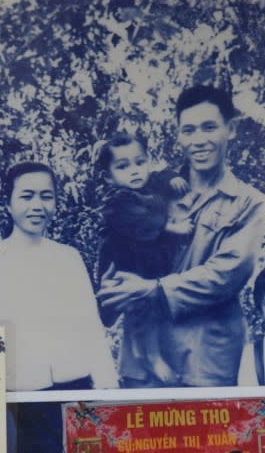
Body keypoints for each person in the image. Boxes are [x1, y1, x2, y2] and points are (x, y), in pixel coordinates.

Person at [98, 85, 265, 387]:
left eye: (209, 127)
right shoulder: (149, 191)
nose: (198, 140)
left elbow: (225, 275)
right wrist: (111, 287)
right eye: (188, 130)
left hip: (204, 360)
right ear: (178, 135)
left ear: (230, 129)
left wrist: (153, 290)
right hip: (143, 365)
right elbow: (117, 250)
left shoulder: (248, 202)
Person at [0, 161, 117, 391]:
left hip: (76, 387)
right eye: (27, 196)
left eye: (46, 196)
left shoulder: (69, 258)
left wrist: (108, 386)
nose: (37, 206)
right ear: (8, 203)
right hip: (21, 393)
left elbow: (91, 327)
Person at [95, 131, 192, 386]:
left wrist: (174, 180)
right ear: (109, 176)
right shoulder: (118, 200)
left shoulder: (151, 184)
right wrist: (170, 227)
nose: (135, 171)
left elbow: (164, 175)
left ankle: (152, 353)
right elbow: (137, 221)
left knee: (154, 305)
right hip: (123, 264)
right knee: (141, 308)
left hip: (146, 267)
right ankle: (151, 357)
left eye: (140, 162)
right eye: (123, 166)